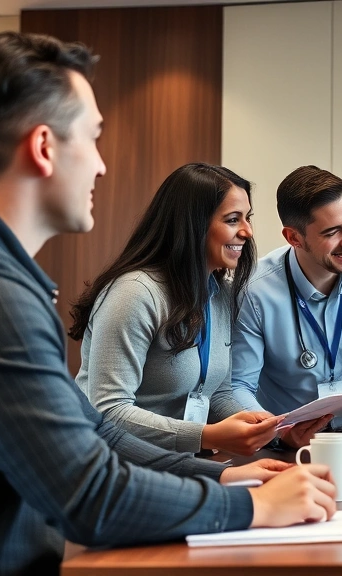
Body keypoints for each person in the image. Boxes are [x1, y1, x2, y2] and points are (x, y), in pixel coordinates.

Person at [0, 32, 336, 576]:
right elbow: (90, 494)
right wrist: (251, 506)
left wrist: (223, 475)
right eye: (91, 139)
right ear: (43, 147)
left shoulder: (2, 277)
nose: (100, 166)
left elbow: (96, 432)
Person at [70, 163, 281, 456]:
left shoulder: (220, 293)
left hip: (175, 463)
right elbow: (109, 410)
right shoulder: (135, 293)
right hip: (113, 466)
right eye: (233, 220)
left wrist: (270, 430)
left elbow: (216, 392)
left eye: (248, 218)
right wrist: (207, 436)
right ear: (193, 224)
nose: (248, 231)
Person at [231, 165, 342, 449]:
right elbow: (239, 385)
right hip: (284, 442)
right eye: (332, 232)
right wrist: (278, 430)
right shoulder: (254, 290)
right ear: (294, 238)